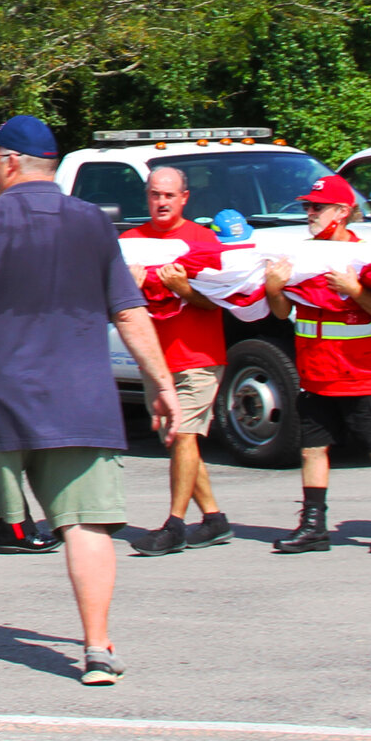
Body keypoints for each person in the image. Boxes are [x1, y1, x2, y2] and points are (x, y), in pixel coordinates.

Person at [0, 116, 177, 687]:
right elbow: (128, 310)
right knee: (87, 525)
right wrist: (163, 382)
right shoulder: (95, 224)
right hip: (84, 400)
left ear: (9, 163)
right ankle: (97, 649)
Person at [263, 178, 371, 556]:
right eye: (308, 207)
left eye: (318, 207)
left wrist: (355, 289)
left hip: (364, 374)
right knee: (312, 449)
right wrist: (274, 288)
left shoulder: (365, 256)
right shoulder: (301, 255)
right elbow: (283, 313)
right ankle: (313, 526)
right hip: (316, 373)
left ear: (343, 212)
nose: (310, 213)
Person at [126, 167, 233, 557]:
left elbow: (222, 301)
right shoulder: (130, 243)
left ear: (185, 198)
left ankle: (174, 525)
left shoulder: (202, 241)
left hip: (198, 358)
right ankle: (215, 519)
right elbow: (110, 306)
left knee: (185, 436)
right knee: (178, 443)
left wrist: (182, 288)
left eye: (169, 195)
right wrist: (128, 289)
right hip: (155, 360)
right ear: (147, 197)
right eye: (155, 195)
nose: (162, 202)